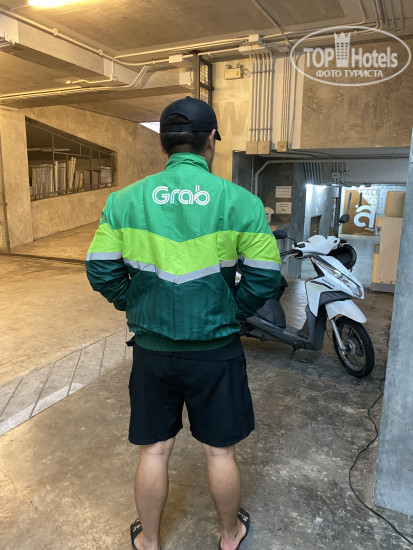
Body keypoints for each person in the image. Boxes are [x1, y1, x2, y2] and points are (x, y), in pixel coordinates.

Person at [86, 96, 281, 550]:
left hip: (152, 351)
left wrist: (135, 301)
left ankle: (149, 542)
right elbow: (266, 276)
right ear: (210, 140)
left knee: (154, 449)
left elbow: (100, 269)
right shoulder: (241, 201)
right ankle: (229, 536)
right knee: (220, 451)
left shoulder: (124, 201)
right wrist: (232, 310)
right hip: (216, 350)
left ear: (163, 144)